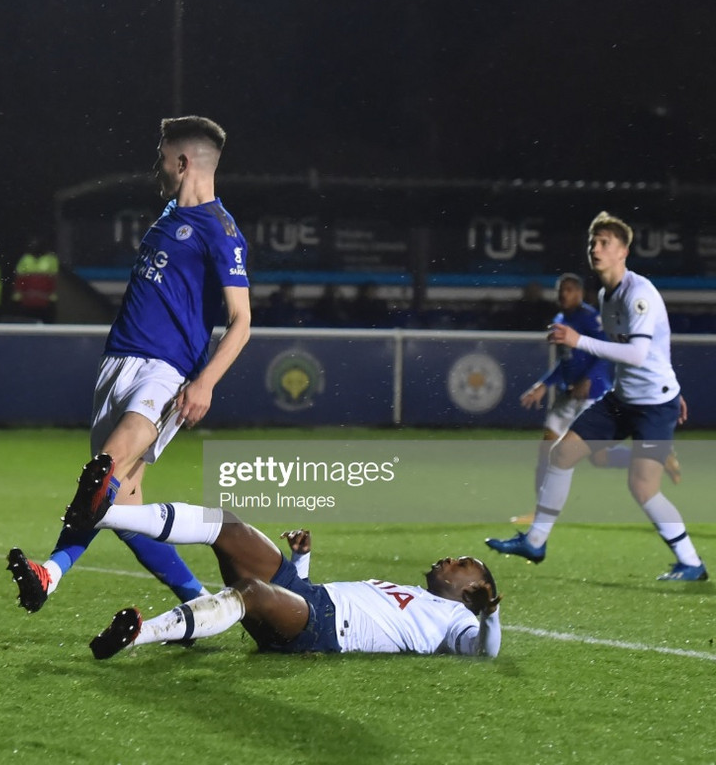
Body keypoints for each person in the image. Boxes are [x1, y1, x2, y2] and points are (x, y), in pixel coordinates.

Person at [7, 115, 252, 613]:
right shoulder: (167, 215)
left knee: (103, 474)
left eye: (161, 156)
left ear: (182, 163)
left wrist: (204, 383)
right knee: (121, 507)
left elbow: (242, 320)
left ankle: (50, 573)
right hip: (116, 366)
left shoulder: (221, 231)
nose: (155, 166)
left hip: (166, 373)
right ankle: (202, 604)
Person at [486, 212, 707, 581]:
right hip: (623, 400)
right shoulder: (606, 295)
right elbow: (645, 351)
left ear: (624, 251)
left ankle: (691, 563)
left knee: (642, 487)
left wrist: (577, 341)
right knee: (562, 454)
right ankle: (536, 541)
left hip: (654, 406)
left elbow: (637, 353)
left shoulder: (639, 295)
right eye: (593, 242)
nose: (596, 248)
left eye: (605, 242)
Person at [66, 492, 500, 660]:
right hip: (306, 595)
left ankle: (139, 634)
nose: (449, 560)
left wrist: (488, 617)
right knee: (227, 525)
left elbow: (484, 652)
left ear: (469, 592)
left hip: (318, 629)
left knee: (251, 592)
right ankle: (104, 513)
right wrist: (299, 561)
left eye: (461, 565)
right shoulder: (412, 592)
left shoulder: (456, 621)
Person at [11, 236, 60, 323]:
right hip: (27, 302)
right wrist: (18, 299)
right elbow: (19, 281)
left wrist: (51, 299)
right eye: (33, 244)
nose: (35, 246)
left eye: (37, 244)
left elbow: (54, 282)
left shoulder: (51, 259)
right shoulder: (25, 260)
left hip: (46, 303)